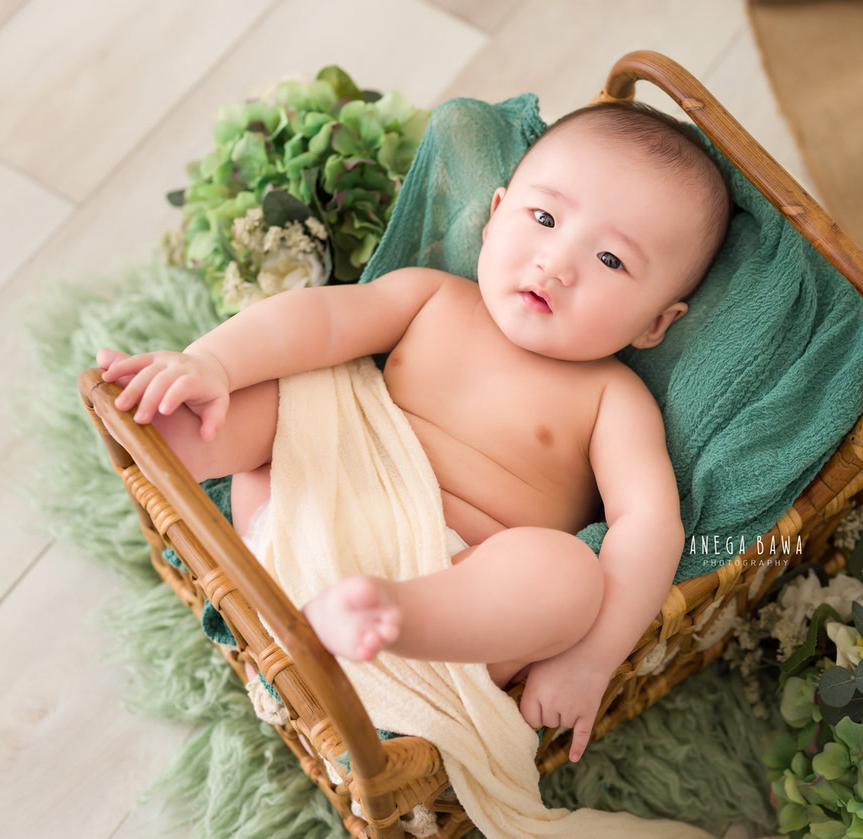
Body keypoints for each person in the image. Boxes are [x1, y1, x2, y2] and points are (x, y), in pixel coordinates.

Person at [95, 99, 731, 763]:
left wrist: (592, 659)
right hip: (316, 501)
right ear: (493, 218)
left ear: (655, 325)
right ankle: (171, 428)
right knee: (302, 383)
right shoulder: (433, 297)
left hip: (450, 594)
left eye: (609, 259)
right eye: (543, 218)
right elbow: (320, 320)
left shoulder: (615, 399)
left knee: (571, 573)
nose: (556, 264)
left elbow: (648, 526)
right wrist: (212, 364)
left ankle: (387, 614)